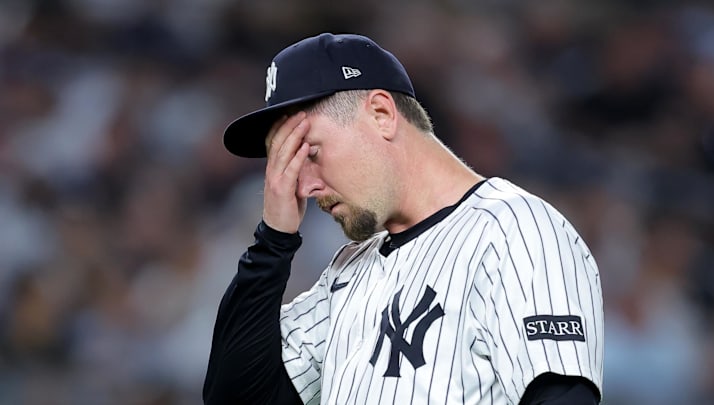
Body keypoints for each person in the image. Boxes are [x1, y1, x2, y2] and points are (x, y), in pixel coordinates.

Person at [203, 33, 604, 405]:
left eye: (310, 154)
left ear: (381, 113)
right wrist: (273, 240)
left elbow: (562, 397)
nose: (302, 186)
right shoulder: (348, 273)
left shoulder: (515, 230)